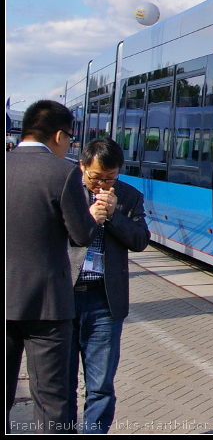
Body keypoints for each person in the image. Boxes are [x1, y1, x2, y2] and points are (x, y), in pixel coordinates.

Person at [6, 100, 98, 433]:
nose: (70, 145)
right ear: (59, 135)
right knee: (51, 400)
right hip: (47, 306)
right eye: (71, 139)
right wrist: (95, 215)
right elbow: (80, 235)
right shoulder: (63, 172)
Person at [68, 139, 149, 434]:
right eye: (95, 177)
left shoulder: (128, 197)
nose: (102, 184)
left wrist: (114, 216)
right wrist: (87, 222)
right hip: (63, 298)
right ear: (82, 166)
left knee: (100, 384)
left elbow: (140, 240)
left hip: (104, 301)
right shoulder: (66, 193)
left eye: (110, 178)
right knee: (62, 383)